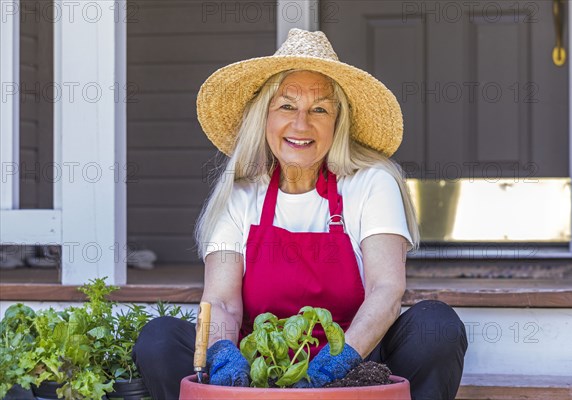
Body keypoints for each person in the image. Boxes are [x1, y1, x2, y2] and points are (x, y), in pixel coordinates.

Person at [133, 28, 467, 400]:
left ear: (339, 122)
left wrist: (339, 360)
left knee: (436, 325)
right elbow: (222, 302)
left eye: (319, 109)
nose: (301, 124)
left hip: (356, 366)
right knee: (159, 339)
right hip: (259, 369)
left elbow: (386, 290)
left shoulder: (371, 183)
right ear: (265, 116)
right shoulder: (241, 195)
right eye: (286, 106)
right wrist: (225, 355)